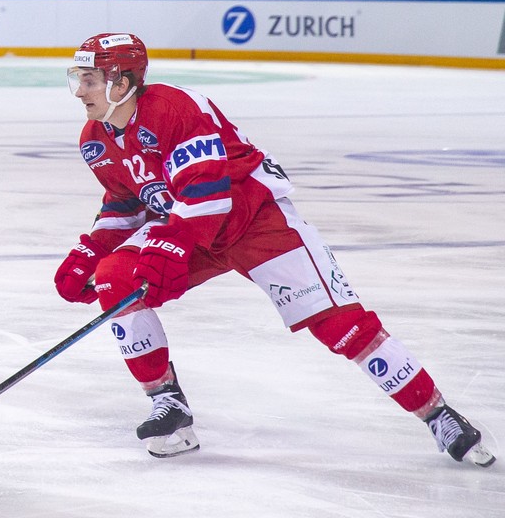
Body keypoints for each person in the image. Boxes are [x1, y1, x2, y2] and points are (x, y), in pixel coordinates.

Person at [53, 33, 495, 466]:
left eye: (89, 80)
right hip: (189, 229)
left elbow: (207, 190)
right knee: (116, 277)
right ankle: (169, 408)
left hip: (255, 221)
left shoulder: (173, 108)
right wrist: (91, 250)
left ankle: (438, 414)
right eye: (79, 79)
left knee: (339, 326)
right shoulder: (95, 139)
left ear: (122, 82)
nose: (80, 92)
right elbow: (128, 200)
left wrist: (171, 244)